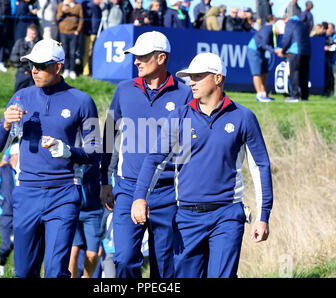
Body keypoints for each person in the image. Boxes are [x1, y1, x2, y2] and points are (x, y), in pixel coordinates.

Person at [132, 52, 273, 278]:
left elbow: (260, 167)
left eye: (197, 77)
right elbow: (155, 160)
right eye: (189, 77)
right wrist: (140, 197)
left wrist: (263, 216)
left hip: (227, 215)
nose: (191, 82)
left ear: (217, 78)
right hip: (186, 216)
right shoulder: (179, 116)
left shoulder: (243, 117)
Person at [0, 39, 100, 278]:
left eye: (40, 65)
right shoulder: (21, 96)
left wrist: (69, 150)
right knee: (24, 272)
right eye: (31, 65)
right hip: (26, 193)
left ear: (57, 67)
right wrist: (6, 123)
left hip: (63, 194)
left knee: (54, 271)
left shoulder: (82, 101)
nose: (34, 70)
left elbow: (96, 151)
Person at [100, 31, 193, 278]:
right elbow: (109, 134)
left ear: (161, 58)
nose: (136, 61)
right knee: (124, 259)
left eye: (142, 56)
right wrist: (104, 180)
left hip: (168, 192)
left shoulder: (185, 94)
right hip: (127, 188)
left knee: (163, 267)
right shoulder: (123, 90)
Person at [0, 142, 20, 277]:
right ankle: (1, 263)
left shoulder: (22, 173)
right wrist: (2, 202)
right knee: (8, 243)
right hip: (5, 214)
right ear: (14, 156)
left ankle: (19, 271)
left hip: (20, 213)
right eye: (20, 156)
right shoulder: (1, 171)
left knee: (20, 243)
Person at [69, 163, 103, 278]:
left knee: (93, 255)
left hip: (93, 211)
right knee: (74, 249)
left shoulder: (96, 155)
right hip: (71, 209)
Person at [247, 16, 285, 102]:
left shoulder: (276, 33)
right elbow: (264, 45)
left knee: (265, 72)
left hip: (261, 52)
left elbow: (273, 46)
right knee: (257, 73)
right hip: (253, 50)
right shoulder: (266, 30)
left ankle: (264, 93)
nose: (280, 33)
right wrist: (276, 51)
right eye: (280, 31)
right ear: (276, 27)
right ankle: (259, 95)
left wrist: (280, 51)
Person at [275, 15, 311, 102]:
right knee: (304, 74)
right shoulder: (303, 25)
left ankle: (295, 96)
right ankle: (305, 97)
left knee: (294, 73)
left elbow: (287, 38)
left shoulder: (290, 24)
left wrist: (283, 51)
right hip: (307, 52)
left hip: (296, 52)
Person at [57, 0, 84, 80]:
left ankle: (72, 70)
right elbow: (58, 17)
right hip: (63, 32)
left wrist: (78, 30)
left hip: (74, 33)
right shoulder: (61, 5)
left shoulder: (78, 6)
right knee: (65, 52)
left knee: (73, 52)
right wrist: (62, 10)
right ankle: (66, 69)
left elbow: (81, 19)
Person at [10, 24, 40, 92]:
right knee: (18, 93)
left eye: (34, 34)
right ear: (27, 33)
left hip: (34, 73)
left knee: (34, 93)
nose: (32, 36)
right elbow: (13, 57)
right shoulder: (20, 42)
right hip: (22, 71)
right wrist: (22, 59)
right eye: (30, 33)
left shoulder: (39, 44)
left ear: (37, 34)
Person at [81, 0, 102, 76]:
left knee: (92, 52)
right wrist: (89, 31)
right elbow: (87, 20)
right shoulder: (90, 6)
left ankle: (91, 70)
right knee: (87, 52)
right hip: (89, 33)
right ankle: (86, 71)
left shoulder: (98, 7)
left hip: (96, 33)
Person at [323, 23, 336, 97]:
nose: (327, 29)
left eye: (328, 28)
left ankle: (331, 93)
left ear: (332, 30)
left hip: (333, 60)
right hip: (325, 60)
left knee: (331, 77)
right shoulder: (324, 36)